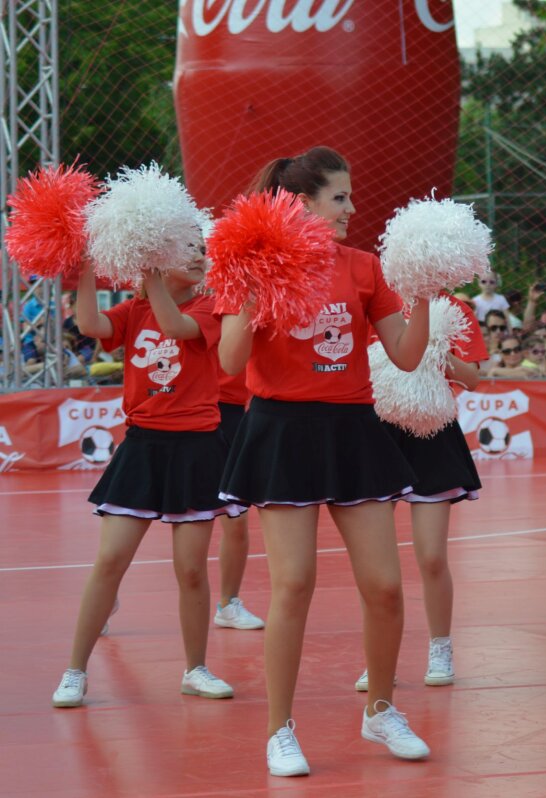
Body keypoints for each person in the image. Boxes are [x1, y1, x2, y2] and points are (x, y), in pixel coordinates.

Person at [217, 146, 432, 777]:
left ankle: (381, 711)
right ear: (304, 203)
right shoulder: (254, 262)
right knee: (294, 585)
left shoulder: (365, 267)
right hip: (282, 429)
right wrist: (254, 296)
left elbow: (408, 357)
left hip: (352, 429)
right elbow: (230, 364)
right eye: (340, 197)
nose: (351, 208)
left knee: (386, 588)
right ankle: (279, 731)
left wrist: (426, 294)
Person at [52, 235, 240, 709]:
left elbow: (175, 327)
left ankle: (195, 669)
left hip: (196, 447)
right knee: (111, 560)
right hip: (142, 446)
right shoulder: (134, 311)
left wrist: (152, 275)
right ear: (160, 258)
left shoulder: (210, 308)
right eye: (189, 249)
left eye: (202, 249)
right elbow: (90, 322)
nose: (201, 257)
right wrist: (89, 266)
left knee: (191, 569)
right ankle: (75, 670)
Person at [355, 294, 487, 691]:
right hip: (379, 432)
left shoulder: (456, 308)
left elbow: (474, 377)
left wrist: (433, 353)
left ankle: (441, 646)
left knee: (431, 556)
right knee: (375, 565)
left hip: (433, 434)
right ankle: (378, 659)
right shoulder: (374, 301)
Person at [212, 370, 265, 631]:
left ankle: (228, 604)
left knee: (236, 517)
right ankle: (107, 599)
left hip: (229, 411)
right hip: (177, 411)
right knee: (139, 514)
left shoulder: (245, 326)